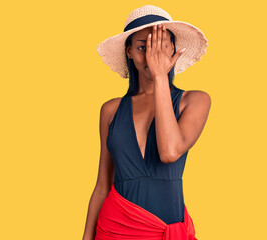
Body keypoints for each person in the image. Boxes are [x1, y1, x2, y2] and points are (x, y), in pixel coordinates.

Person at [82, 5, 211, 240]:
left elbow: (169, 152)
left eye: (161, 47)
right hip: (114, 228)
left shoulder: (194, 100)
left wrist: (161, 76)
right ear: (129, 51)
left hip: (165, 229)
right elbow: (102, 186)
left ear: (173, 50)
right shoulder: (111, 110)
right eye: (144, 47)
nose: (154, 57)